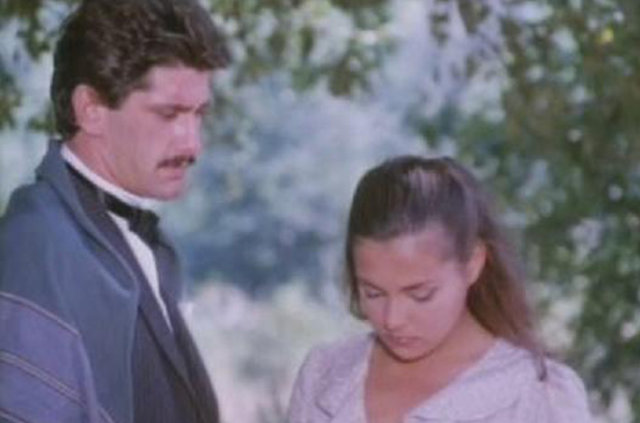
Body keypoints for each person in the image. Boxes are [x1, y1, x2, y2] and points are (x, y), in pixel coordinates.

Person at [0, 0, 229, 422]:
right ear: (90, 109)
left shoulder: (147, 243)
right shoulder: (35, 246)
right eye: (169, 114)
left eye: (199, 114)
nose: (193, 144)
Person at [287, 156, 592, 423]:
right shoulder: (325, 375)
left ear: (473, 263)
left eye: (420, 295)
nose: (393, 319)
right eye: (373, 293)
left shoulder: (538, 394)